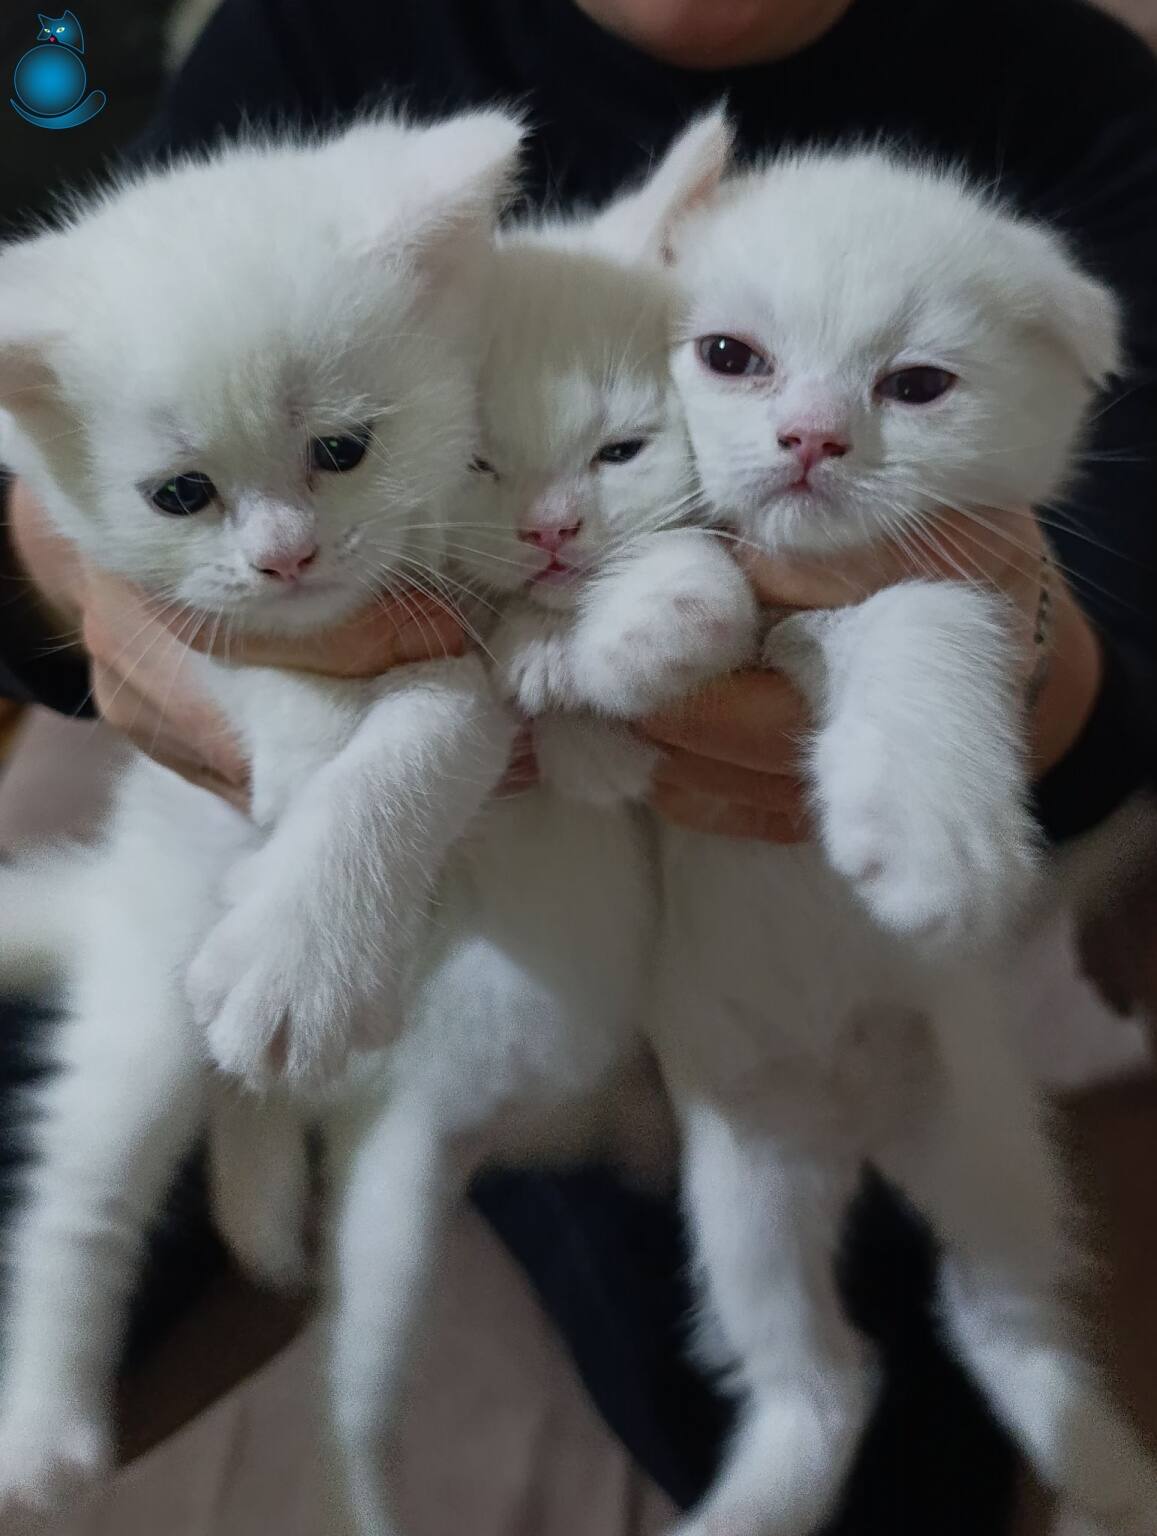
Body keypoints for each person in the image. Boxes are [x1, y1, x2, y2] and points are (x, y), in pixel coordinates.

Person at [2, 0, 1156, 1527]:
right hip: (399, 882)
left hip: (679, 980)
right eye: (729, 358)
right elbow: (93, 384)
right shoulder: (314, 35)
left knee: (895, 1479)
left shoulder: (1076, 98)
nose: (804, 431)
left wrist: (986, 664)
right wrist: (77, 581)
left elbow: (1112, 656)